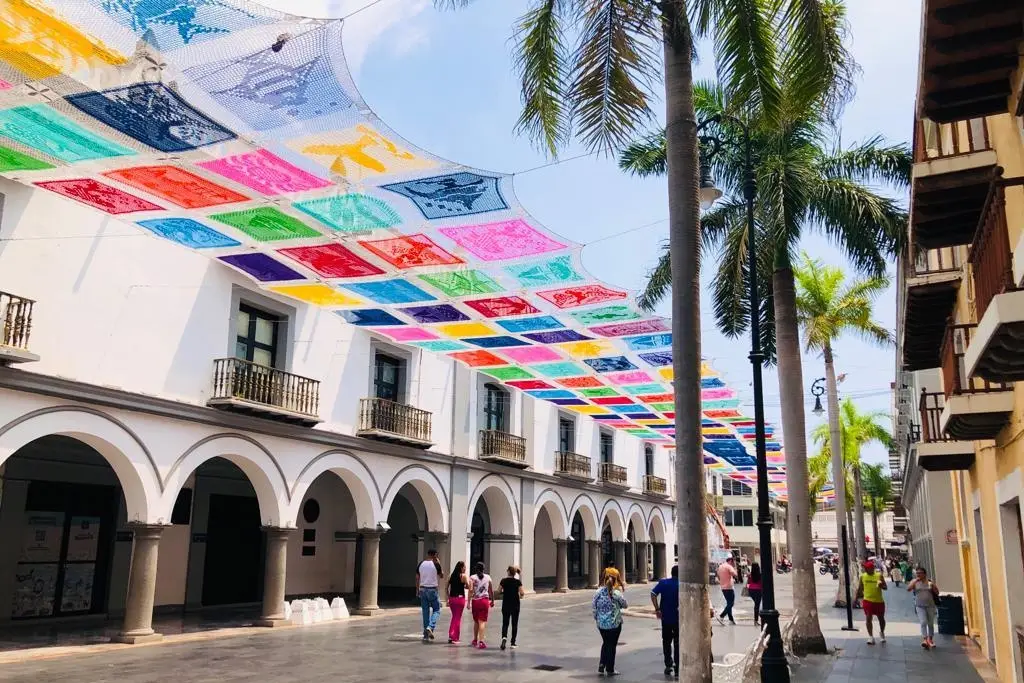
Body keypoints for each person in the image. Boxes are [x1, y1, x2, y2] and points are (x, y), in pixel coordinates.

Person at [592, 567, 627, 676]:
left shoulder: (598, 592)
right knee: (611, 646)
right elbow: (625, 605)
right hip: (614, 624)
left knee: (606, 643)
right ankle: (610, 669)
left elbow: (593, 607)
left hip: (601, 625)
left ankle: (602, 664)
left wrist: (597, 619)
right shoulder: (616, 593)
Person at [650, 565, 679, 676]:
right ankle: (678, 665)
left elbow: (653, 594)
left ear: (671, 573)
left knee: (666, 642)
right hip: (678, 618)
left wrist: (657, 609)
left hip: (665, 618)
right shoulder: (681, 584)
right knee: (678, 642)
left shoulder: (664, 583)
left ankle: (668, 665)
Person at [856, 560, 887, 645]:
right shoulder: (863, 576)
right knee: (868, 618)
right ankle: (870, 637)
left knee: (881, 618)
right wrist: (856, 599)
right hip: (867, 601)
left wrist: (881, 586)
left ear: (872, 568)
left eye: (867, 568)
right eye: (865, 568)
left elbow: (885, 587)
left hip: (879, 601)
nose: (865, 569)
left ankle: (882, 632)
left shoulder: (879, 576)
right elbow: (860, 588)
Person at [908, 567, 940, 649]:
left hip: (930, 605)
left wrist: (933, 586)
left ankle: (931, 639)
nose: (918, 574)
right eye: (917, 573)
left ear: (924, 574)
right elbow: (908, 589)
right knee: (923, 622)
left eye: (920, 573)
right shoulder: (914, 582)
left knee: (930, 623)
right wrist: (915, 581)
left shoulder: (929, 582)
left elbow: (937, 592)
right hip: (919, 606)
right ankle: (925, 639)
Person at [416, 549, 443, 642]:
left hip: (422, 589)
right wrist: (439, 563)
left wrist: (417, 589)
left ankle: (425, 634)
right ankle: (430, 627)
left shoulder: (421, 564)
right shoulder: (436, 564)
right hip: (432, 589)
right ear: (435, 555)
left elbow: (417, 577)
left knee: (425, 611)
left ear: (427, 554)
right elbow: (442, 575)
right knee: (437, 609)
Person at [469, 562, 494, 649]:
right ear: (483, 569)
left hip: (475, 601)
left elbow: (471, 590)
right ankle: (482, 641)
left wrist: (468, 602)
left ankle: (475, 639)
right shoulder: (488, 577)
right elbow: (491, 590)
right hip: (484, 601)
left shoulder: (472, 577)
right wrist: (493, 600)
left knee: (476, 621)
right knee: (482, 621)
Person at [499, 565, 524, 650]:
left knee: (505, 623)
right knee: (514, 623)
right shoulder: (517, 582)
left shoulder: (503, 581)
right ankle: (513, 643)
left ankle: (504, 638)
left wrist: (504, 592)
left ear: (508, 572)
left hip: (506, 604)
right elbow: (522, 592)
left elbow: (499, 591)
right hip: (515, 605)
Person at [446, 561, 470, 644]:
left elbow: (446, 588)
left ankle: (454, 636)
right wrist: (466, 584)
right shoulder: (463, 576)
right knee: (457, 618)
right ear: (461, 567)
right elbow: (468, 587)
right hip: (460, 599)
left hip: (452, 599)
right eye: (464, 567)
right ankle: (453, 636)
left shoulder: (450, 576)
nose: (465, 568)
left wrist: (448, 598)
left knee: (454, 617)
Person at [716, 557, 738, 625]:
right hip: (729, 587)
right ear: (730, 561)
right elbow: (735, 574)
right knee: (731, 603)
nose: (734, 563)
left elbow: (718, 576)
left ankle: (731, 620)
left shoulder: (720, 566)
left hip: (723, 587)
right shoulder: (729, 566)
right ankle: (721, 616)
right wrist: (735, 568)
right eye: (733, 561)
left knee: (729, 603)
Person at [746, 562, 763, 627]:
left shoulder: (750, 574)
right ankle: (756, 620)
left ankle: (756, 619)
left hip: (751, 590)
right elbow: (762, 582)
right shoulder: (760, 574)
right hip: (758, 590)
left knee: (756, 604)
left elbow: (749, 582)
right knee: (757, 605)